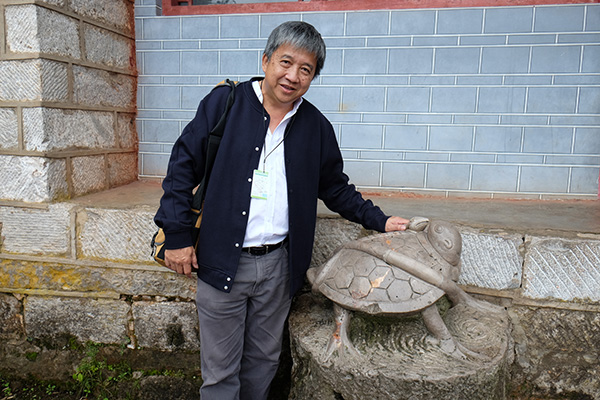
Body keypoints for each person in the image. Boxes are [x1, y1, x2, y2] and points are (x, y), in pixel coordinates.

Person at [154, 20, 409, 400]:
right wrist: (177, 236)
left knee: (263, 363)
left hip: (278, 268)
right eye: (285, 62)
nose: (292, 76)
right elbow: (180, 169)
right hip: (222, 260)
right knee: (221, 373)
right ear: (266, 59)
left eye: (305, 69)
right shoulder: (225, 104)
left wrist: (381, 220)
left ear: (313, 77)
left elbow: (335, 188)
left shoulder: (316, 127)